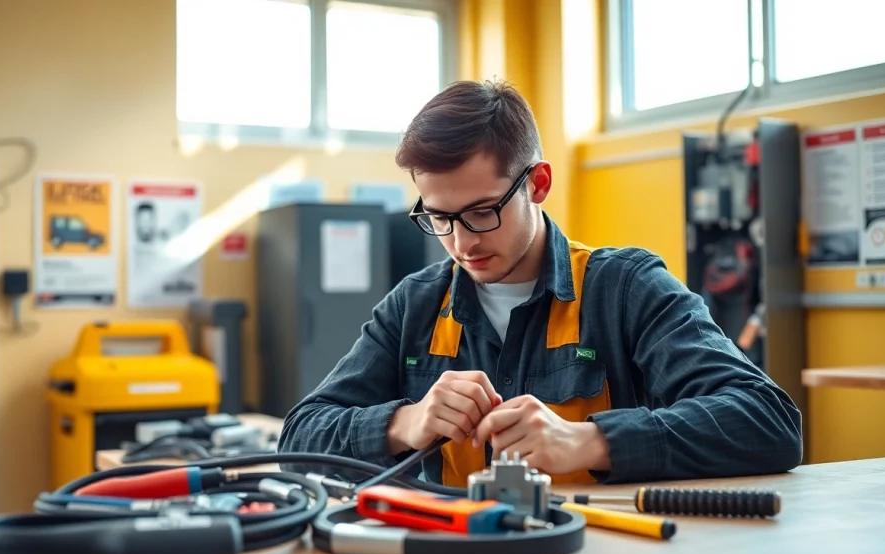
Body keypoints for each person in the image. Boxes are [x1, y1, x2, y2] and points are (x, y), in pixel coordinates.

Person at [276, 79, 803, 486]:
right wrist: (405, 423)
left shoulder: (625, 288)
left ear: (539, 183)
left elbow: (769, 423)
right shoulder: (414, 305)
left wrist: (591, 442)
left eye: (482, 212)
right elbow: (299, 437)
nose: (461, 243)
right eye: (439, 218)